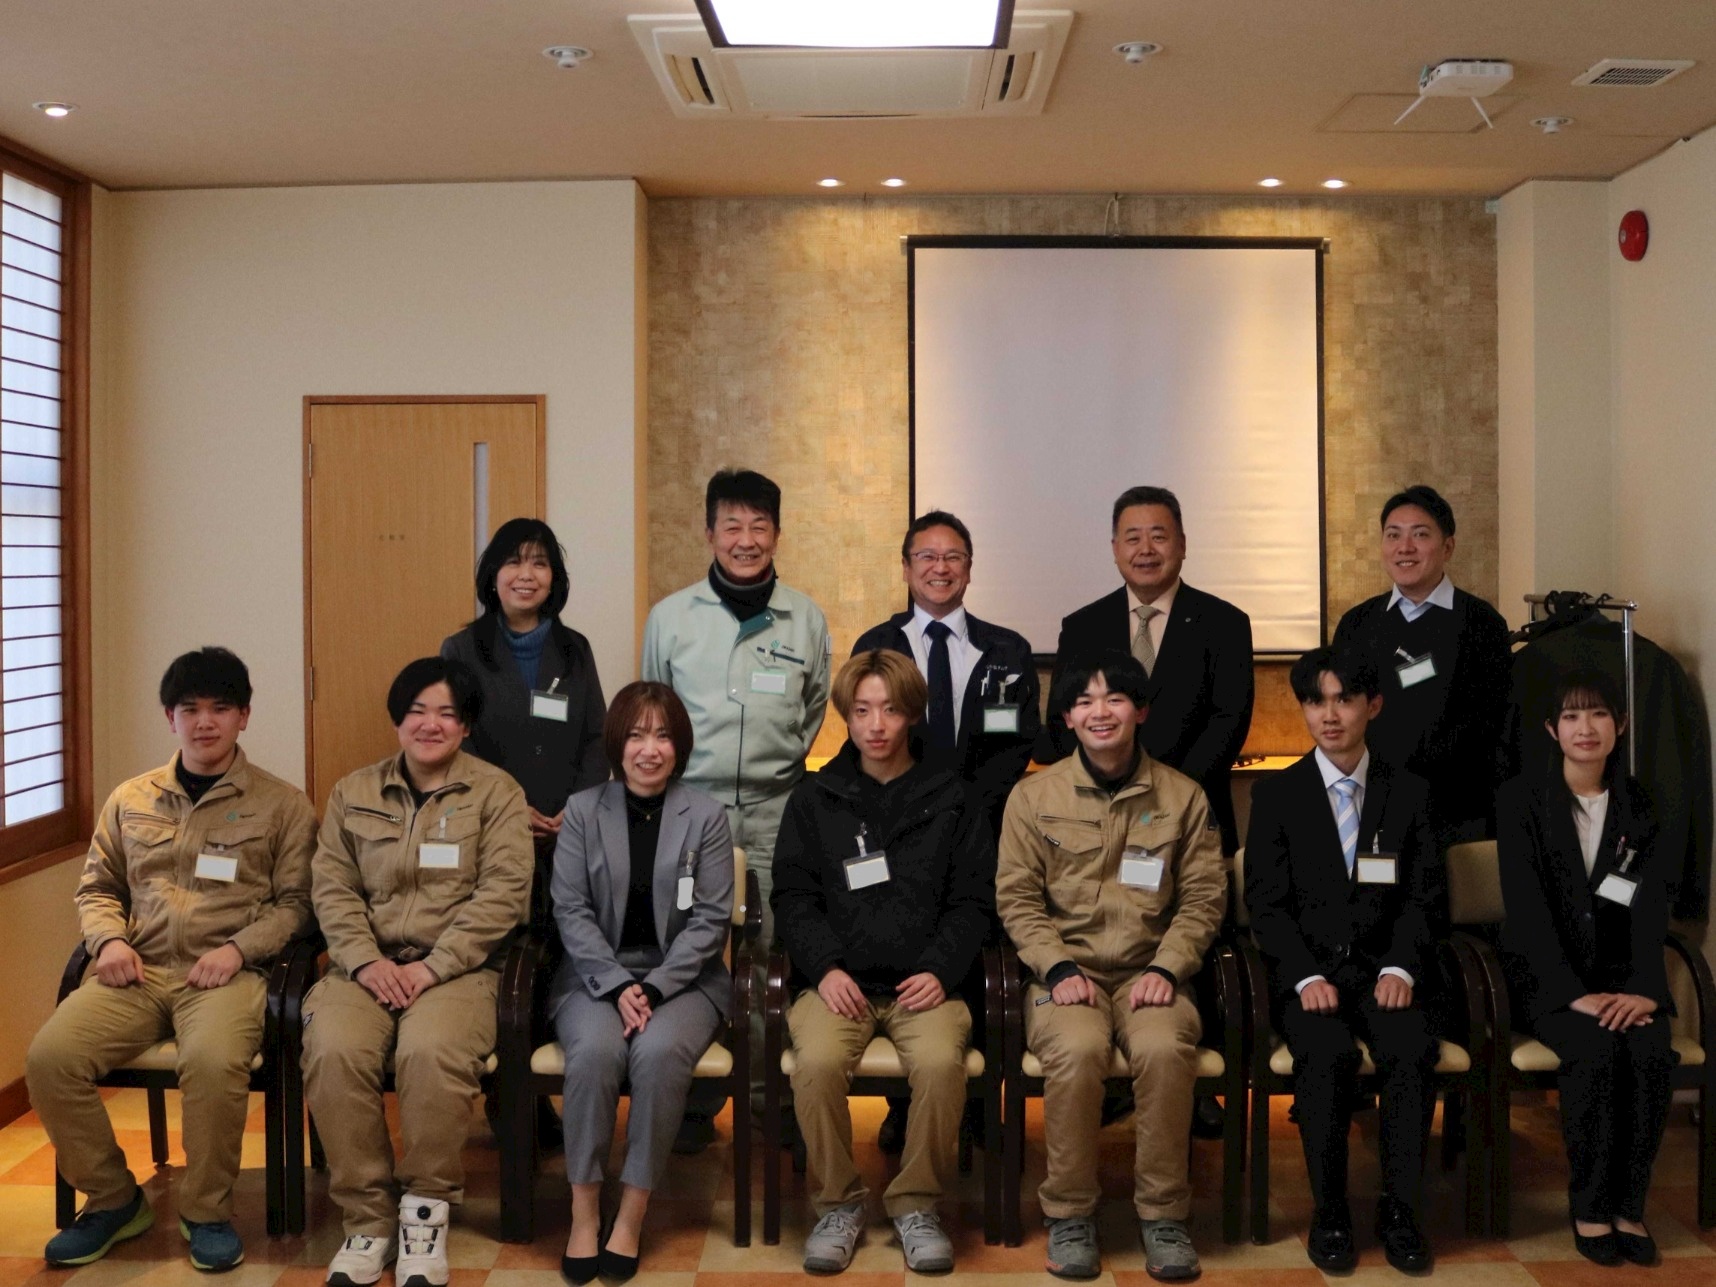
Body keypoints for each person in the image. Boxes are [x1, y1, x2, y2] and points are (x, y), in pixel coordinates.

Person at [26, 647, 316, 1272]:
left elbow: (297, 908)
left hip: (226, 977)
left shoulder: (283, 805)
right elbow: (98, 888)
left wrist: (238, 950)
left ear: (244, 716)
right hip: (138, 970)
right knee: (49, 1058)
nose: (204, 722)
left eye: (220, 709)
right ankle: (113, 1199)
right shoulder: (131, 798)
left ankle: (205, 1211)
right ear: (170, 718)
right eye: (190, 709)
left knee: (210, 1062)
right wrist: (108, 941)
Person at [302, 657, 532, 1287]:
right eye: (418, 711)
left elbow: (504, 894)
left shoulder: (497, 794)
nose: (431, 724)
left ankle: (425, 1213)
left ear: (466, 726)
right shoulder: (353, 792)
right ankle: (367, 1219)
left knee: (430, 1053)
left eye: (447, 714)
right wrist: (364, 960)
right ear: (398, 718)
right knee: (332, 1048)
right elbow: (332, 888)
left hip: (460, 971)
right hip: (365, 968)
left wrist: (435, 966)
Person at [997, 650, 1226, 1282]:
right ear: (1068, 718)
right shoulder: (1033, 796)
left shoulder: (1183, 796)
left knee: (1163, 1050)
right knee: (1076, 1052)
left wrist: (1170, 967)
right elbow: (1017, 898)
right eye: (1084, 701)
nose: (1101, 712)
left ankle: (1164, 1215)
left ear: (1140, 710)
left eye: (1115, 698)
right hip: (1065, 975)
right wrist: (1057, 967)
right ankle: (1069, 1213)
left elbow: (1204, 898)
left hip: (1153, 974)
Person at [771, 650, 993, 1275]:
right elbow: (793, 896)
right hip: (838, 983)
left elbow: (975, 899)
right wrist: (825, 968)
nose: (876, 725)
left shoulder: (953, 797)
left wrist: (941, 969)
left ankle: (917, 1205)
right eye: (863, 710)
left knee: (942, 1065)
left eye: (890, 710)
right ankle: (837, 1204)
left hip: (926, 985)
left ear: (912, 714)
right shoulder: (815, 797)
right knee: (815, 1063)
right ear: (846, 715)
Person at [641, 467, 831, 1148]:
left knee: (772, 953)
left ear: (777, 533)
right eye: (732, 525)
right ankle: (692, 1103)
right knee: (686, 949)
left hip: (779, 810)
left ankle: (767, 1101)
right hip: (691, 810)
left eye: (759, 525)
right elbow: (653, 710)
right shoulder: (671, 617)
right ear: (709, 532)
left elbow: (814, 709)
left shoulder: (805, 617)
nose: (745, 539)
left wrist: (777, 765)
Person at [1243, 646, 1442, 1273]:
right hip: (1309, 980)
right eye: (1315, 701)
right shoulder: (1277, 795)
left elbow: (1425, 898)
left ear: (1372, 706)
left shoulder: (1410, 792)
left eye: (1344, 700)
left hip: (1387, 975)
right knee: (1325, 1055)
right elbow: (1266, 906)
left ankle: (1400, 1210)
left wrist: (1401, 967)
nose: (1329, 715)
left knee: (1410, 1050)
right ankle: (1330, 1211)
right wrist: (1304, 975)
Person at [850, 509, 1035, 1152]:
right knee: (909, 954)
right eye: (926, 556)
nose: (939, 567)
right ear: (906, 568)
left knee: (978, 954)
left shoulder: (1007, 650)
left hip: (984, 830)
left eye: (952, 556)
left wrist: (962, 813)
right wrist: (924, 813)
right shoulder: (877, 644)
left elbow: (1017, 745)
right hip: (899, 831)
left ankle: (977, 1106)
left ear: (969, 569)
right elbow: (867, 739)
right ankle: (904, 1109)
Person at [549, 682, 735, 1285]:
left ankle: (630, 1213)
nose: (649, 749)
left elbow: (710, 919)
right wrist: (614, 983)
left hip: (683, 979)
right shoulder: (583, 810)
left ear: (679, 746)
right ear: (616, 743)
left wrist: (653, 987)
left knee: (656, 1054)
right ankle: (584, 1212)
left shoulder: (705, 816)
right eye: (635, 735)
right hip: (594, 974)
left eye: (662, 736)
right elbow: (570, 908)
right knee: (595, 1053)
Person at [1497, 668, 1673, 1267]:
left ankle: (1629, 1205)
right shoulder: (1521, 801)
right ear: (1552, 729)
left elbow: (1650, 907)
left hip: (1623, 984)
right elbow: (1526, 912)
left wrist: (1646, 991)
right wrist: (1572, 993)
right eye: (1571, 716)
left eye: (1598, 714)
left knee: (1650, 1050)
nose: (1585, 728)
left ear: (1620, 724)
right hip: (1546, 984)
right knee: (1595, 1050)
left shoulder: (1641, 804)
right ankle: (1592, 1206)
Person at [1041, 485, 1253, 857]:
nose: (1146, 550)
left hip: (1194, 813)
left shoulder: (1225, 623)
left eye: (1159, 536)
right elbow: (1063, 721)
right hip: (1097, 819)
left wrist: (1169, 796)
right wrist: (1109, 790)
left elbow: (1228, 721)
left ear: (1182, 545)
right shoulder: (1082, 627)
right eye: (1133, 538)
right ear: (1115, 549)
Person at [440, 517, 607, 934]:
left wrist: (578, 808)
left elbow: (598, 737)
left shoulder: (576, 649)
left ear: (554, 578)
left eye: (539, 563)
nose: (527, 574)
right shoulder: (460, 650)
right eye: (514, 562)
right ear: (493, 574)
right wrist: (510, 807)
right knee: (502, 942)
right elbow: (456, 741)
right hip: (489, 826)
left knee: (567, 939)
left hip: (567, 829)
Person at [1332, 484, 1511, 838]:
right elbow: (1343, 712)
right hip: (1377, 805)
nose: (1405, 547)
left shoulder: (1482, 623)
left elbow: (1496, 726)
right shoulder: (1357, 624)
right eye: (1393, 535)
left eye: (1420, 534)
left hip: (1460, 809)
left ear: (1448, 547)